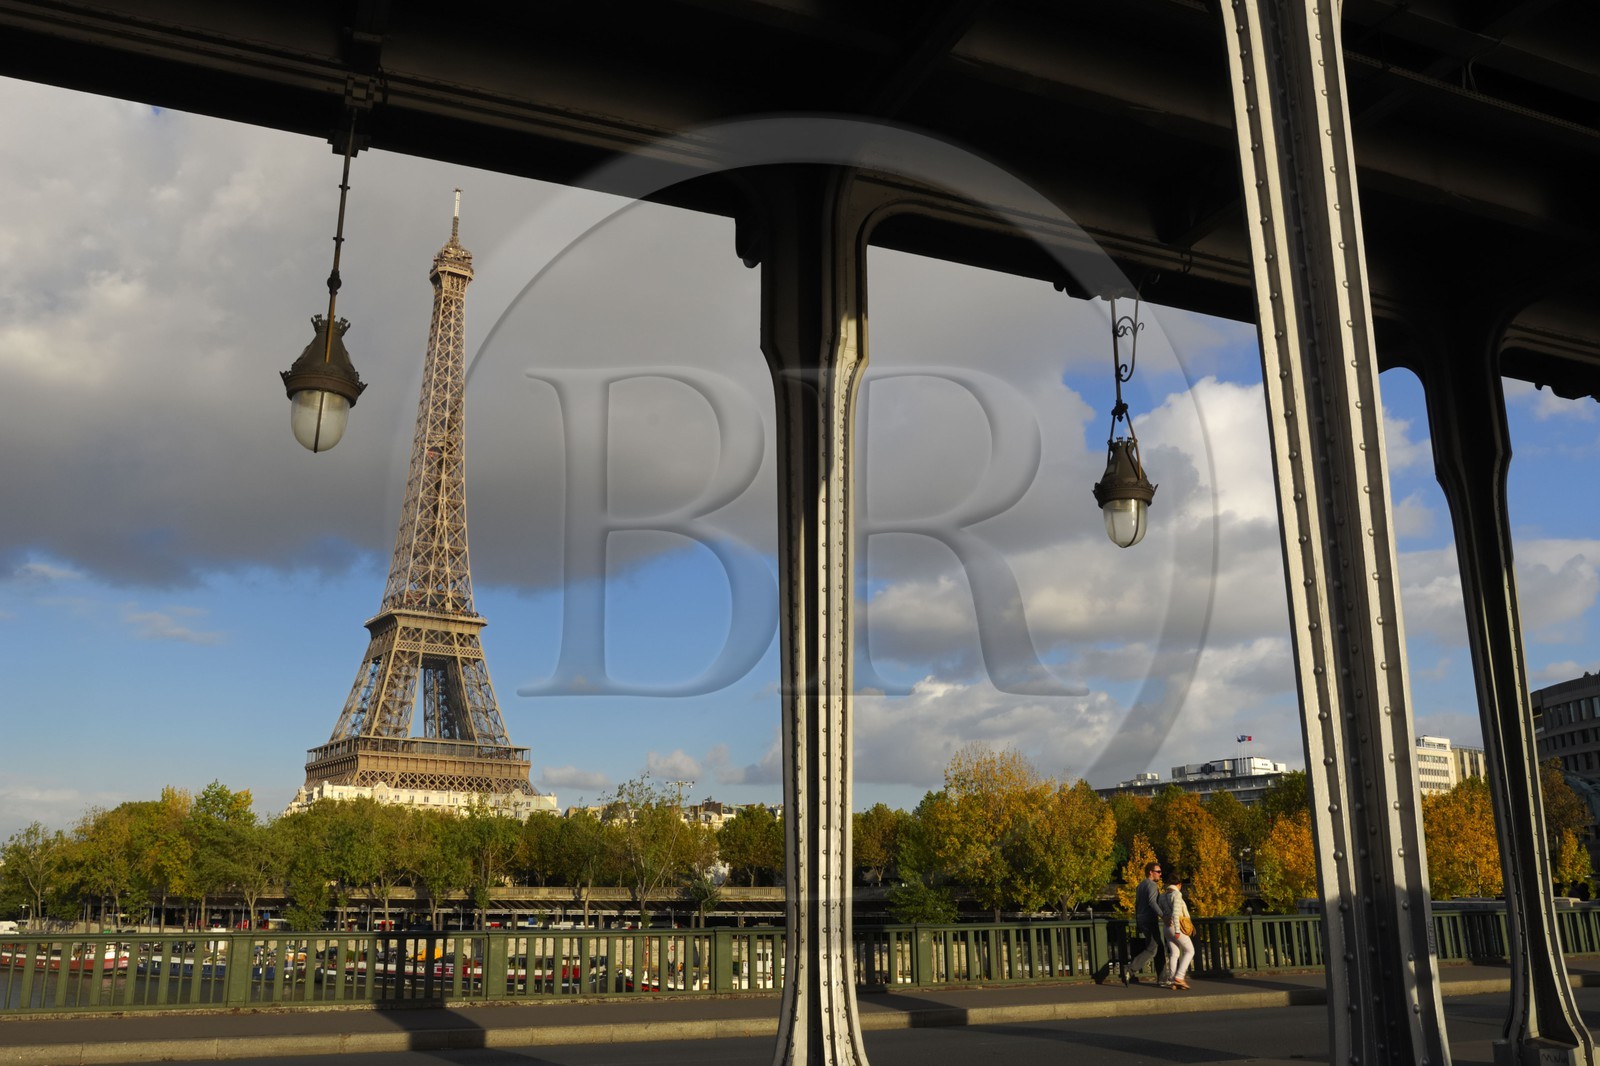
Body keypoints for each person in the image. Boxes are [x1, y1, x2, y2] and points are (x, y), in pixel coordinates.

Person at [1124, 860, 1166, 986]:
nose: (1160, 874)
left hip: (1142, 919)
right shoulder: (1152, 885)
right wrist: (1163, 916)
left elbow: (1137, 905)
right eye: (1158, 872)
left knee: (1159, 947)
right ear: (1150, 872)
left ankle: (1162, 978)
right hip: (1150, 919)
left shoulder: (1140, 885)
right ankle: (1130, 969)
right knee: (1153, 949)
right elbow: (1152, 902)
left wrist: (1138, 921)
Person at [1159, 872, 1195, 991]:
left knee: (1174, 953)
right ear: (1179, 884)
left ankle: (1173, 978)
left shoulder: (1163, 895)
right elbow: (1176, 913)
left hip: (1166, 928)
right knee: (1190, 950)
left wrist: (1165, 919)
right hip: (1176, 927)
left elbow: (1160, 911)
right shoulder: (1177, 895)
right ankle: (1179, 977)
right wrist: (1178, 931)